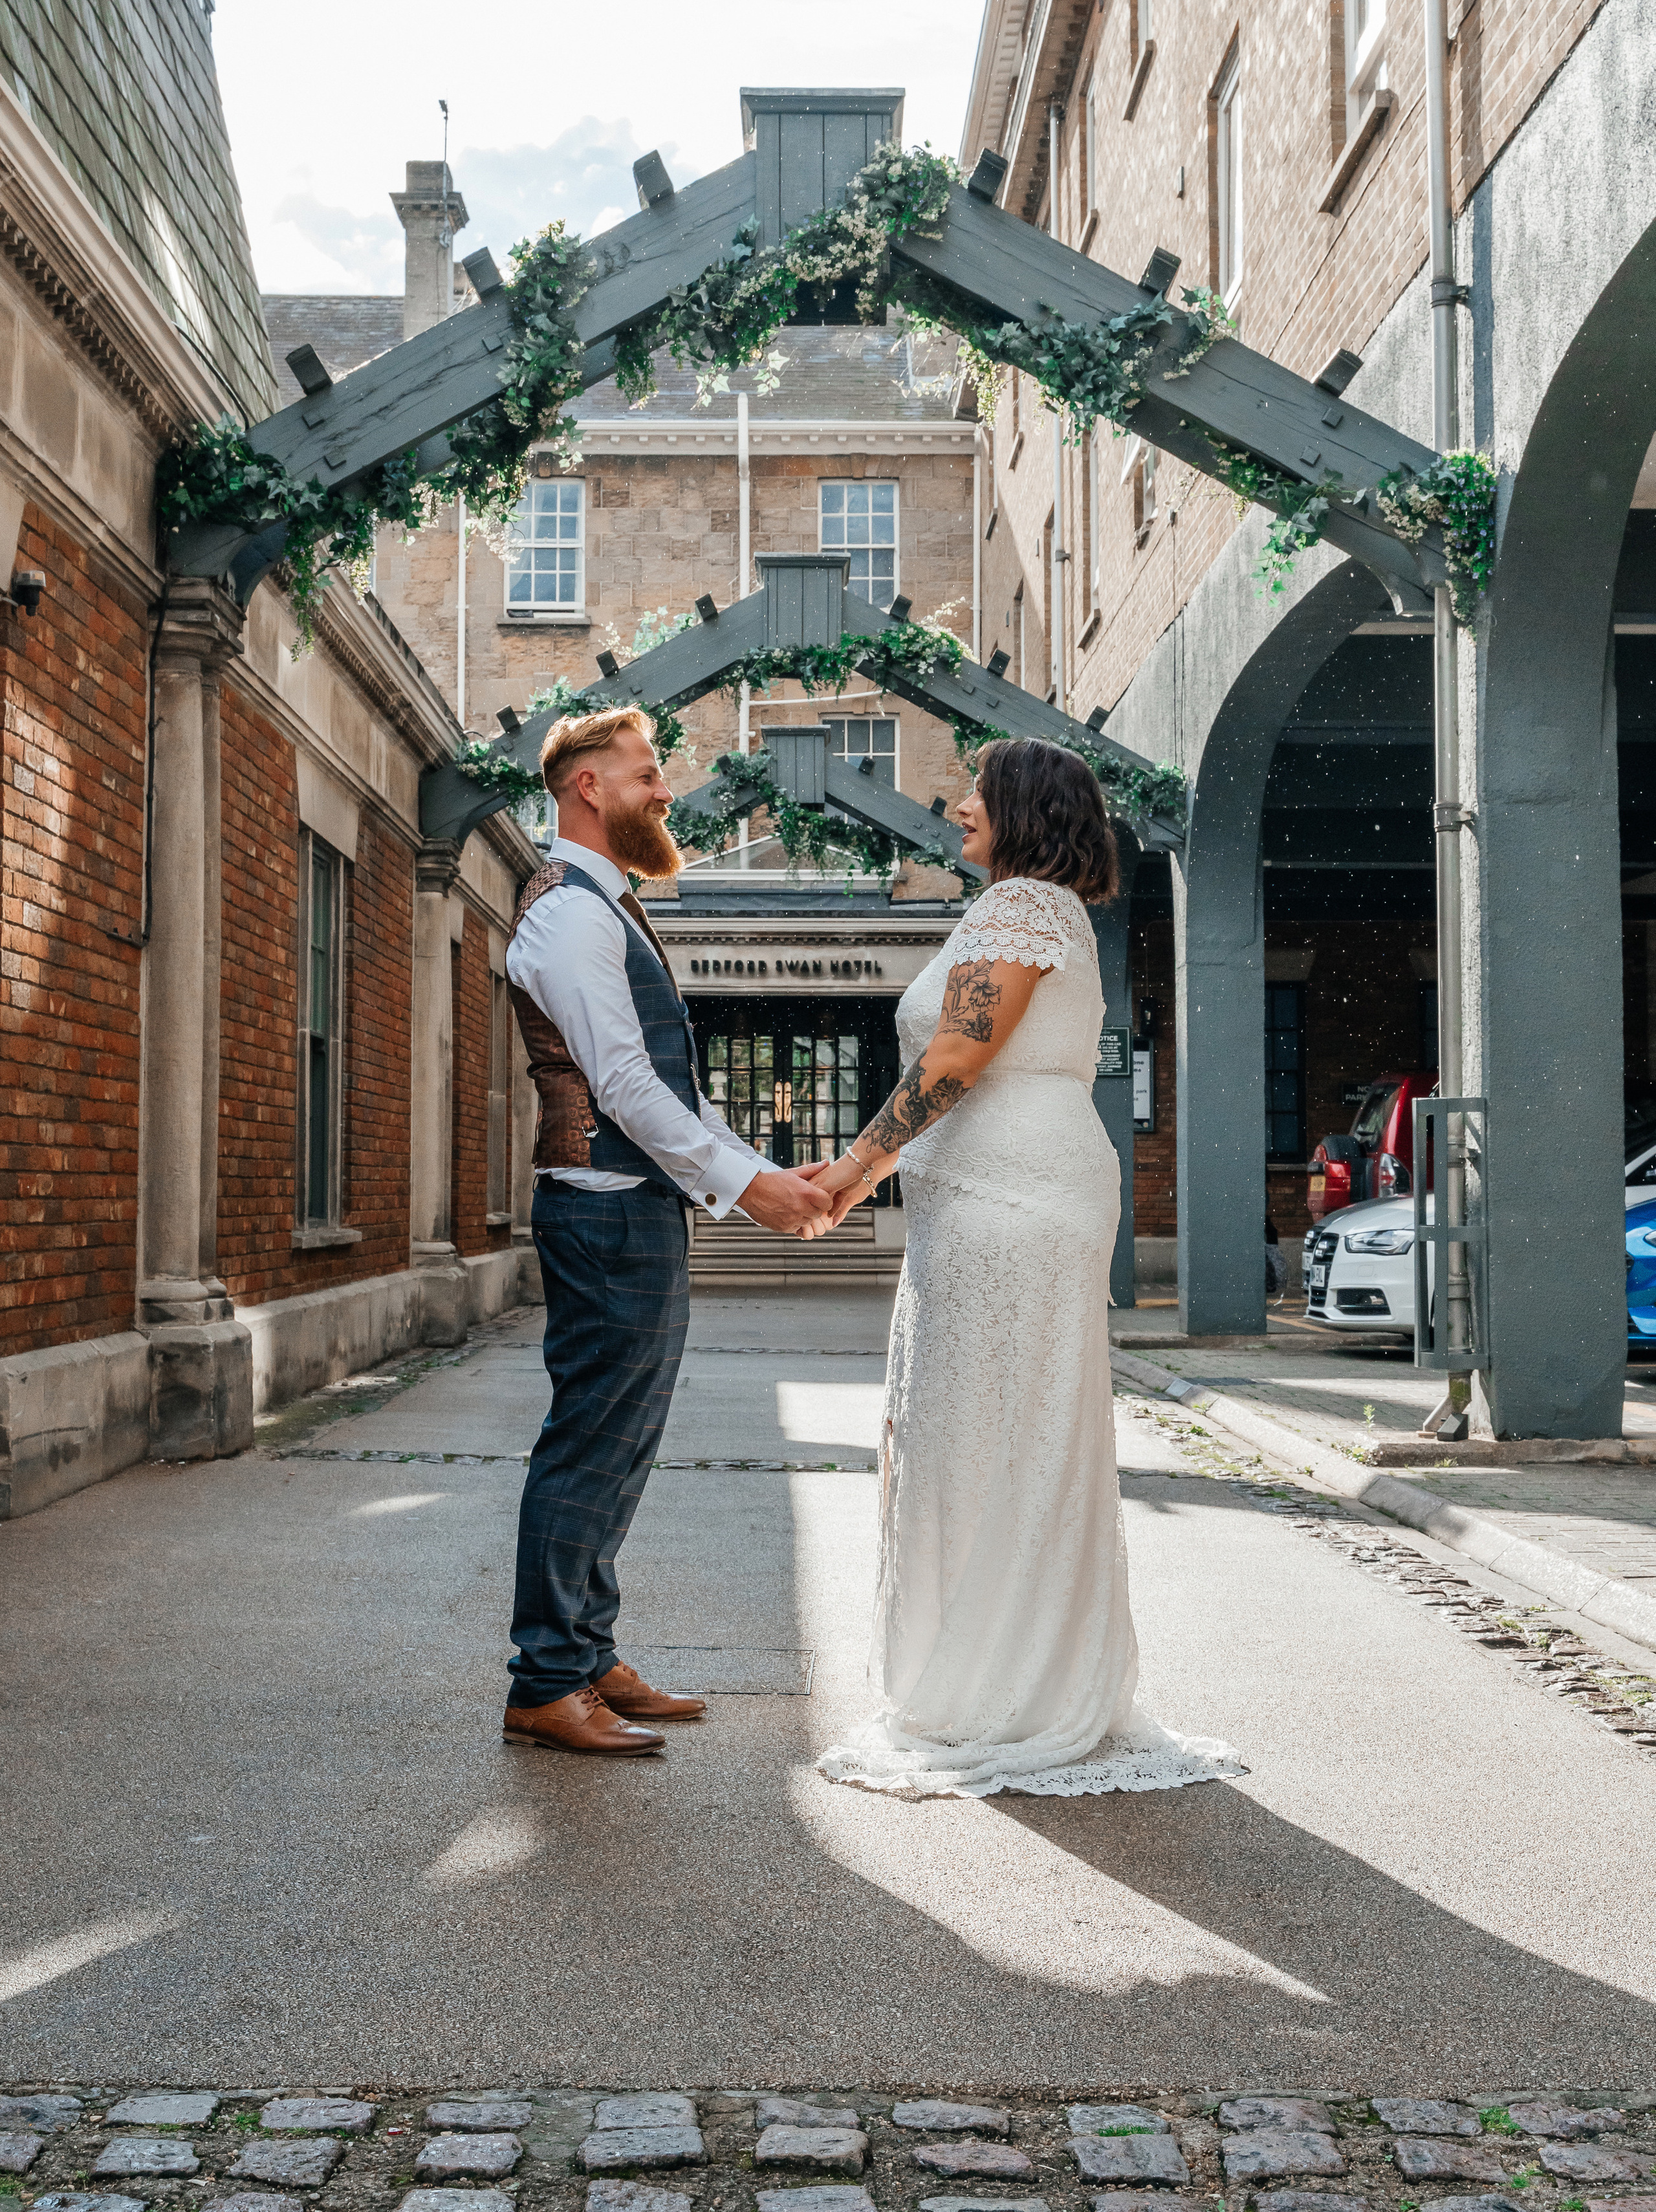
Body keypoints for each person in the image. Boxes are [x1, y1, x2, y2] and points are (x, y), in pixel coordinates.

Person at [809, 738, 1241, 1799]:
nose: (957, 805)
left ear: (1023, 809)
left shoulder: (1025, 908)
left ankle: (1005, 1684)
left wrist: (852, 1173)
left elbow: (957, 1056)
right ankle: (1006, 1669)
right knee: (993, 1429)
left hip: (1015, 1206)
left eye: (977, 791)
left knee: (992, 1429)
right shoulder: (1031, 909)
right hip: (999, 1203)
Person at [501, 707, 834, 1758]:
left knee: (623, 1443)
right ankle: (547, 1680)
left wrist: (765, 1172)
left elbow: (668, 1088)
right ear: (587, 786)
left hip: (631, 1206)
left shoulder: (609, 904)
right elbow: (629, 1089)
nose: (663, 791)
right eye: (647, 774)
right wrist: (753, 1192)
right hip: (604, 1211)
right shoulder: (571, 915)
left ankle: (586, 1654)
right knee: (591, 1443)